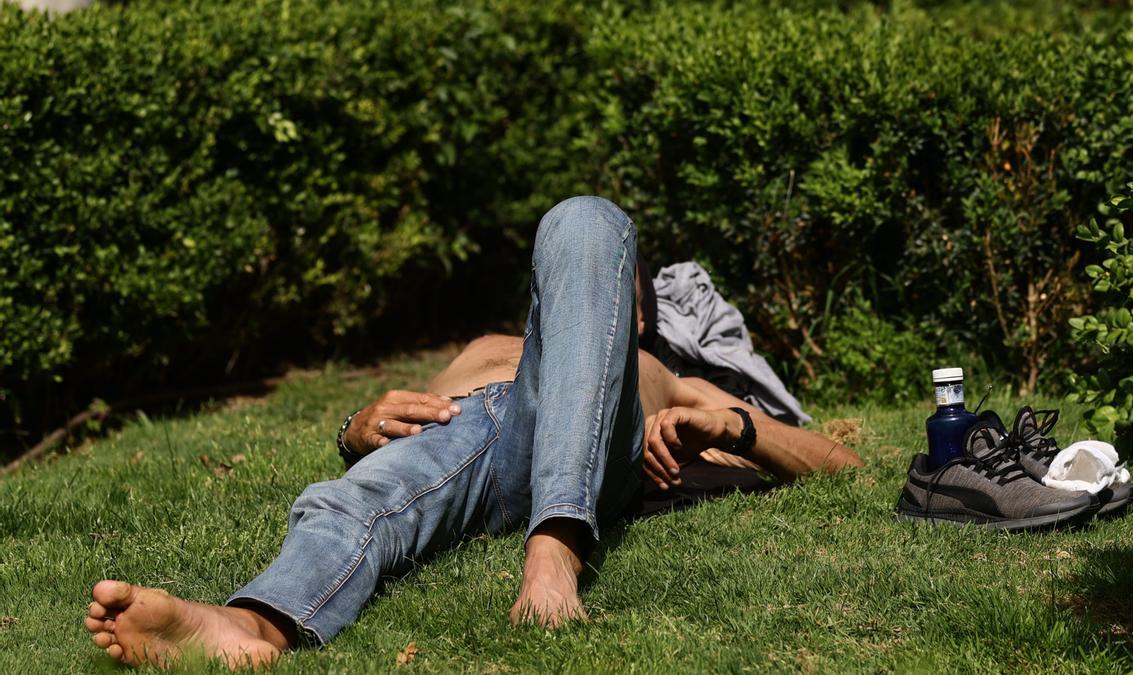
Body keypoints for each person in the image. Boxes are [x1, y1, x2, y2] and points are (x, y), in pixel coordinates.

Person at [83, 197, 863, 669]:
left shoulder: (659, 368)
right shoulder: (495, 344)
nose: (583, 294)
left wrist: (728, 423)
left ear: (634, 313)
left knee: (585, 217)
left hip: (592, 452)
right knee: (356, 498)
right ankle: (251, 624)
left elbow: (840, 460)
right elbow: (380, 439)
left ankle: (553, 547)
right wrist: (355, 427)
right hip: (468, 430)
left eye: (599, 287)